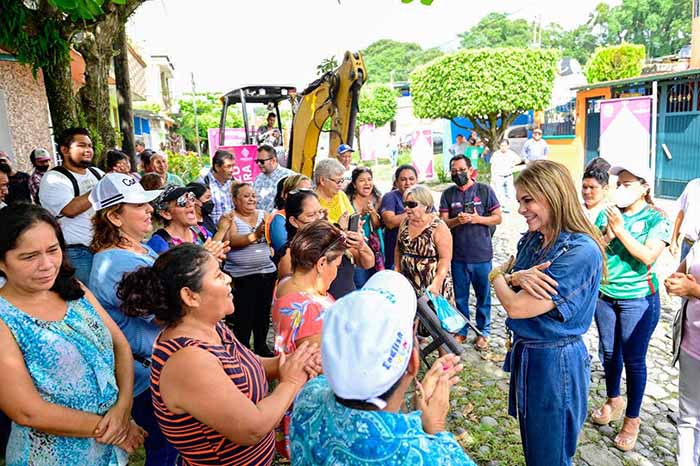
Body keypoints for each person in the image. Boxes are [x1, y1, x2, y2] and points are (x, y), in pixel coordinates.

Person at [117, 243, 321, 466]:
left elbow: (247, 365)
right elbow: (252, 428)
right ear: (190, 296)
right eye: (218, 275)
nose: (228, 278)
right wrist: (291, 382)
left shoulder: (212, 328)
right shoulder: (187, 361)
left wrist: (293, 362)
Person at [0, 204, 145, 466]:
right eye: (29, 257)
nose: (47, 265)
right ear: (2, 262)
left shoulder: (73, 288)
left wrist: (123, 408)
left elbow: (120, 345)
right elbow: (27, 411)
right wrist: (117, 430)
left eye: (53, 250)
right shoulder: (4, 317)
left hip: (108, 449)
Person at [290, 270, 476, 466]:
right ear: (413, 362)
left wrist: (413, 415)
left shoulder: (307, 398)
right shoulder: (432, 458)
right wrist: (435, 430)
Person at [489, 160, 605, 466]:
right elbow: (514, 282)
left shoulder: (580, 251)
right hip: (530, 354)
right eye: (519, 201)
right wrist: (514, 277)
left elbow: (516, 306)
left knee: (550, 457)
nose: (521, 209)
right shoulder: (535, 238)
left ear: (553, 195)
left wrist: (497, 276)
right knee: (536, 452)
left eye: (528, 200)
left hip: (555, 362)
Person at [87, 173, 179, 466]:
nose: (149, 209)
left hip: (163, 369)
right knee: (166, 451)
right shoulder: (114, 264)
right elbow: (165, 313)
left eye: (146, 203)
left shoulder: (138, 248)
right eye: (138, 205)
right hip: (147, 378)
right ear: (114, 217)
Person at [591, 163, 670, 452]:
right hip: (605, 295)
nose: (620, 189)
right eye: (618, 184)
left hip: (638, 299)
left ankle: (632, 419)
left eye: (627, 184)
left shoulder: (656, 218)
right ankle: (613, 399)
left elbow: (648, 256)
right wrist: (607, 235)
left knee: (634, 360)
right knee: (609, 353)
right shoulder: (608, 213)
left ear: (644, 187)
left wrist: (621, 232)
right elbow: (593, 248)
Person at [271, 220, 346, 458]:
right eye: (337, 265)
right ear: (321, 263)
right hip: (314, 404)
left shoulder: (285, 284)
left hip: (293, 391)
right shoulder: (311, 309)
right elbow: (323, 369)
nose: (337, 272)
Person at [440, 155, 502, 349]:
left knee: (484, 296)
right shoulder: (448, 194)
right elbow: (442, 222)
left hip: (482, 254)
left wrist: (477, 219)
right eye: (454, 171)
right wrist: (457, 221)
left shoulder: (484, 190)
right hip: (458, 256)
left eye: (461, 170)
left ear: (470, 170)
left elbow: (498, 218)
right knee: (460, 297)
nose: (458, 173)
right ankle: (462, 330)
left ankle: (484, 332)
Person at [275, 190, 373, 299]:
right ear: (294, 221)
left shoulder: (333, 237)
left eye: (320, 212)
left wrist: (361, 245)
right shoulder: (290, 254)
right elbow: (291, 295)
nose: (319, 218)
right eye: (311, 215)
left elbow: (368, 263)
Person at [217, 182, 277, 356]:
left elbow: (273, 237)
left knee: (263, 314)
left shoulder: (264, 215)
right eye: (246, 196)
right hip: (242, 276)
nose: (251, 199)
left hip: (266, 272)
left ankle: (261, 347)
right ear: (235, 200)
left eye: (253, 196)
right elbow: (230, 241)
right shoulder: (230, 217)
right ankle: (242, 351)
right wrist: (255, 235)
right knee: (244, 316)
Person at [39, 128, 104, 284]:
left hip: (103, 247)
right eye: (82, 145)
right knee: (87, 293)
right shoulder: (53, 178)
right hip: (77, 252)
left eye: (90, 146)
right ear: (64, 150)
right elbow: (70, 209)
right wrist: (102, 188)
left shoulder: (96, 172)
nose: (88, 150)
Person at [665, 241, 700, 465]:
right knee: (688, 418)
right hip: (692, 342)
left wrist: (694, 290)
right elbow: (681, 272)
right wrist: (675, 282)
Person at [397, 185, 454, 304]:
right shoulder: (405, 223)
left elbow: (445, 258)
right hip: (408, 282)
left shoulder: (438, 227)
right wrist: (397, 272)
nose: (407, 208)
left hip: (431, 284)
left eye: (411, 205)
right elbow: (398, 250)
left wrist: (437, 283)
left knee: (431, 314)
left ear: (426, 205)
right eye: (405, 204)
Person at [147, 185, 229, 256]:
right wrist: (204, 257)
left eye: (191, 197)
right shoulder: (159, 242)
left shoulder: (201, 232)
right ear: (166, 213)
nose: (190, 204)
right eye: (182, 201)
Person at [345, 166, 384, 287]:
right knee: (360, 281)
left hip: (375, 245)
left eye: (369, 179)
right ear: (354, 184)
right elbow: (348, 224)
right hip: (357, 246)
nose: (367, 183)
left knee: (376, 281)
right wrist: (361, 213)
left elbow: (377, 225)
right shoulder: (347, 199)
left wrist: (372, 212)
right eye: (362, 180)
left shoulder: (377, 198)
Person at [380, 164, 418, 271]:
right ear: (396, 182)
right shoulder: (390, 197)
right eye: (403, 179)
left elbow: (433, 217)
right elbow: (390, 222)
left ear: (417, 180)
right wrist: (415, 212)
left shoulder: (423, 196)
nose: (408, 183)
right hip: (396, 255)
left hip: (420, 253)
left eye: (411, 179)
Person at [266, 174, 312, 252]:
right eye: (302, 192)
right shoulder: (279, 219)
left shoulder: (316, 214)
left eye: (310, 191)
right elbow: (283, 250)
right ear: (286, 195)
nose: (309, 196)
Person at [253, 144, 294, 213]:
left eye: (262, 162)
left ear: (273, 160)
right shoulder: (258, 178)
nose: (259, 164)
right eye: (257, 161)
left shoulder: (289, 176)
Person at [199, 149, 234, 226]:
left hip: (232, 230)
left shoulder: (233, 183)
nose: (232, 170)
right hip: (212, 231)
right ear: (217, 167)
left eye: (233, 166)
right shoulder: (203, 183)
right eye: (228, 166)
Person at [314, 158, 354, 224]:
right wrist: (339, 226)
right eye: (338, 181)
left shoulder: (341, 194)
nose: (340, 185)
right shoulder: (312, 201)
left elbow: (353, 218)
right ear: (322, 180)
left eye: (342, 180)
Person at [670, 177, 700, 261]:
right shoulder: (693, 185)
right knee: (683, 269)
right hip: (688, 245)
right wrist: (674, 240)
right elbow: (682, 212)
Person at [489, 139, 523, 212]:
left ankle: (508, 206)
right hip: (499, 176)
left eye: (505, 145)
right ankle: (502, 206)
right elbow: (492, 165)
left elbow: (519, 160)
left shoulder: (511, 153)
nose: (503, 147)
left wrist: (513, 164)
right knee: (500, 192)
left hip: (508, 176)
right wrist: (493, 176)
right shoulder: (496, 154)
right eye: (502, 146)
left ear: (508, 146)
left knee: (510, 192)